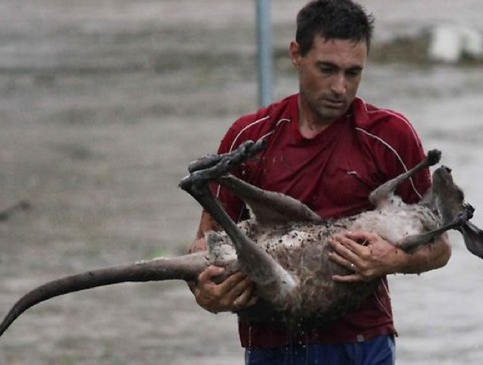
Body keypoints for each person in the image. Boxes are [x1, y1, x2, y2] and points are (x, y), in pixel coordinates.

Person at [188, 0, 452, 364]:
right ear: (296, 54)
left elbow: (440, 247)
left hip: (360, 343)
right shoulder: (249, 137)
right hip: (270, 344)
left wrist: (392, 260)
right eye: (327, 69)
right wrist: (205, 294)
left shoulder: (390, 135)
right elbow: (205, 242)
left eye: (353, 73)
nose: (340, 87)